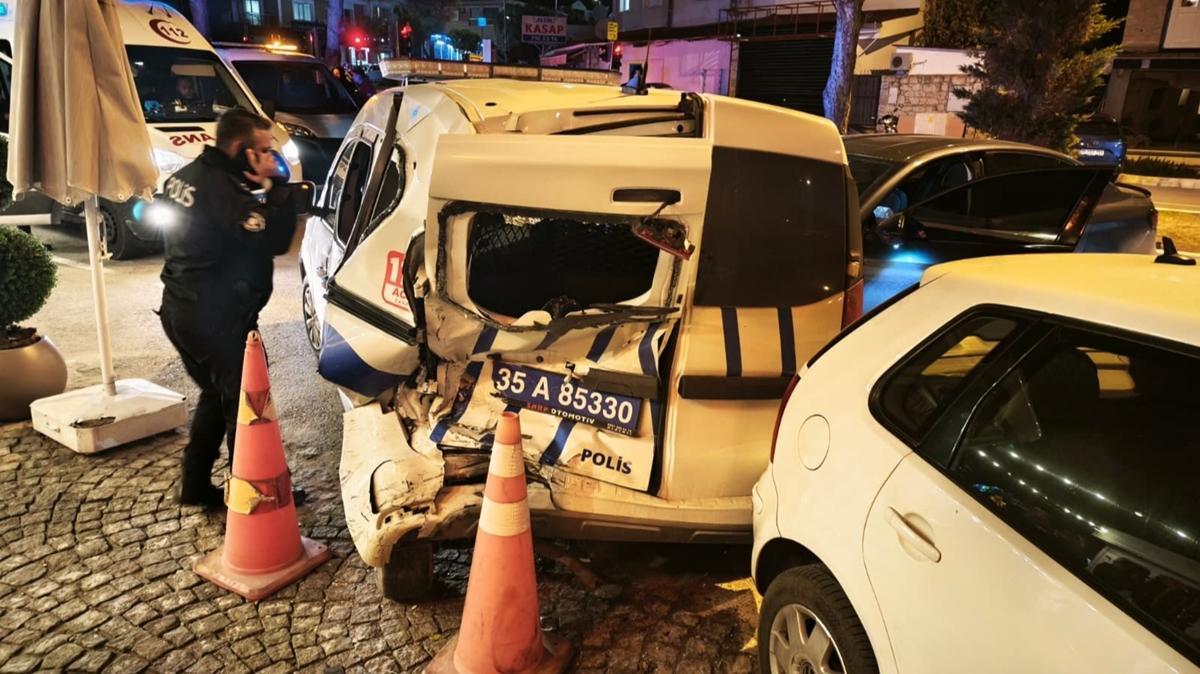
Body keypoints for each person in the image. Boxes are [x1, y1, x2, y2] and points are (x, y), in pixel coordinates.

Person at [158, 108, 300, 508]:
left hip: (183, 307)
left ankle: (195, 484)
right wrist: (276, 189)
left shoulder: (189, 176)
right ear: (240, 148)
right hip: (216, 315)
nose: (271, 157)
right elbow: (272, 239)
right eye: (263, 150)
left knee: (216, 395)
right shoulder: (224, 191)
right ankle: (252, 497)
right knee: (246, 405)